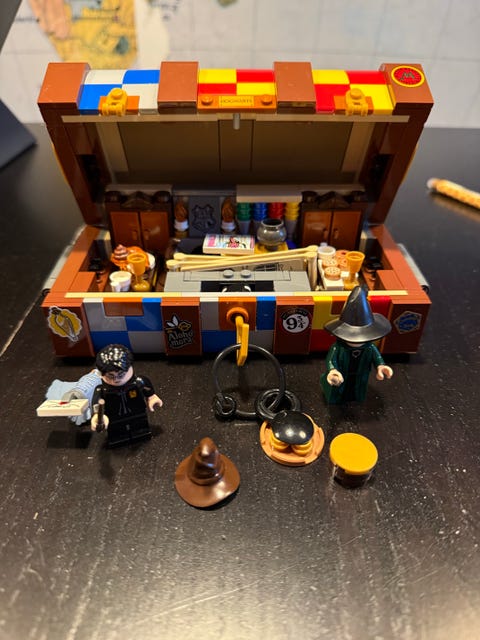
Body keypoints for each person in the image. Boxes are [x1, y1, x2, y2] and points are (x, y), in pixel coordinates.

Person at [321, 286, 393, 404]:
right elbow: (331, 359)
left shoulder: (369, 347)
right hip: (342, 373)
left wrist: (381, 366)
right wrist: (333, 370)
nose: (356, 340)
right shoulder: (338, 347)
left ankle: (357, 398)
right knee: (338, 390)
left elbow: (377, 357)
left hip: (361, 374)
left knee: (358, 390)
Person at [91, 344, 162, 447]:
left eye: (121, 375)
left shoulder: (138, 382)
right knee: (116, 432)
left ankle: (141, 433)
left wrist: (152, 397)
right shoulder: (101, 390)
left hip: (137, 411)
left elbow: (147, 388)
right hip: (114, 417)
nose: (116, 380)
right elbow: (97, 406)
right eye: (110, 376)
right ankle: (118, 439)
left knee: (140, 426)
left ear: (130, 367)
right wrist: (98, 417)